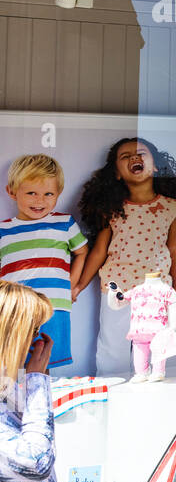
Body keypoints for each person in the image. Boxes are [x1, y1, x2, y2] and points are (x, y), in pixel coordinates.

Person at [74, 138, 176, 377]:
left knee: (155, 348)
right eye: (125, 156)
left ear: (155, 166)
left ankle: (150, 398)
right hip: (117, 289)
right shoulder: (112, 209)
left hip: (156, 292)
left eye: (141, 154)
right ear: (117, 173)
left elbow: (175, 251)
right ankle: (111, 395)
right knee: (112, 349)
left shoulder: (171, 207)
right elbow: (99, 252)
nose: (134, 158)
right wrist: (79, 285)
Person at [0, 279, 75, 482]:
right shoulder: (22, 388)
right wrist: (37, 381)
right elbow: (35, 461)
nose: (39, 340)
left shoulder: (10, 390)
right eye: (32, 330)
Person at [0, 155, 89, 371]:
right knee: (11, 362)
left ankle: (39, 401)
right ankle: (13, 403)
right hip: (15, 309)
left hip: (53, 306)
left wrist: (73, 286)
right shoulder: (4, 230)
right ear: (12, 191)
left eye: (48, 194)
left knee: (43, 360)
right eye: (31, 193)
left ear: (58, 194)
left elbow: (82, 252)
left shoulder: (64, 223)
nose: (40, 201)